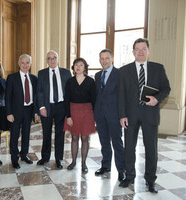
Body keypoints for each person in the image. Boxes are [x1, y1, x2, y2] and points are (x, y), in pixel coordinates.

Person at [118, 38, 171, 193]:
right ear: (133, 52)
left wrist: (157, 99)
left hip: (150, 114)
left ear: (148, 50)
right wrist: (122, 115)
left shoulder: (158, 68)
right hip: (130, 115)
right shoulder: (124, 70)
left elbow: (166, 88)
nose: (140, 52)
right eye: (137, 49)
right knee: (129, 148)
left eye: (143, 48)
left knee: (151, 149)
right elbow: (120, 95)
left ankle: (150, 180)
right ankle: (129, 177)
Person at [94, 49, 125, 181]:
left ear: (112, 58)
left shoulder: (119, 74)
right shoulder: (97, 75)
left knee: (117, 143)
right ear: (99, 60)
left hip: (115, 115)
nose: (104, 61)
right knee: (104, 142)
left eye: (107, 58)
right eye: (102, 58)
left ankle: (121, 170)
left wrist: (123, 115)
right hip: (100, 115)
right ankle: (106, 165)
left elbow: (124, 96)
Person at [36, 50, 71, 169]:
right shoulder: (42, 73)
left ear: (58, 59)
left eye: (54, 57)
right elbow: (39, 92)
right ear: (47, 61)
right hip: (47, 106)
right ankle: (45, 157)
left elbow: (70, 92)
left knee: (60, 134)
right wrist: (41, 107)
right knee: (46, 132)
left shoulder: (66, 73)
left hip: (61, 106)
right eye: (49, 58)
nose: (52, 60)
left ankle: (58, 159)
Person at [63, 58, 96, 173]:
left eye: (81, 65)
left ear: (85, 67)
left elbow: (94, 100)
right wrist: (68, 116)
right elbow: (66, 100)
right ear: (73, 67)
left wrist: (95, 117)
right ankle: (73, 162)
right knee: (74, 137)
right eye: (76, 65)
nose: (78, 67)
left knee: (85, 138)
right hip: (73, 112)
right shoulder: (69, 81)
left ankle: (83, 163)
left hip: (87, 112)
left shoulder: (91, 82)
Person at [6, 54, 38, 169]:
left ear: (30, 64)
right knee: (14, 135)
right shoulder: (12, 77)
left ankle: (24, 154)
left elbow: (36, 97)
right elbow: (8, 97)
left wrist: (35, 112)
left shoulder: (34, 78)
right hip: (15, 112)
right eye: (23, 63)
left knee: (26, 134)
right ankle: (14, 158)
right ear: (19, 64)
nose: (25, 65)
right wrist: (8, 113)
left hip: (29, 110)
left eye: (27, 63)